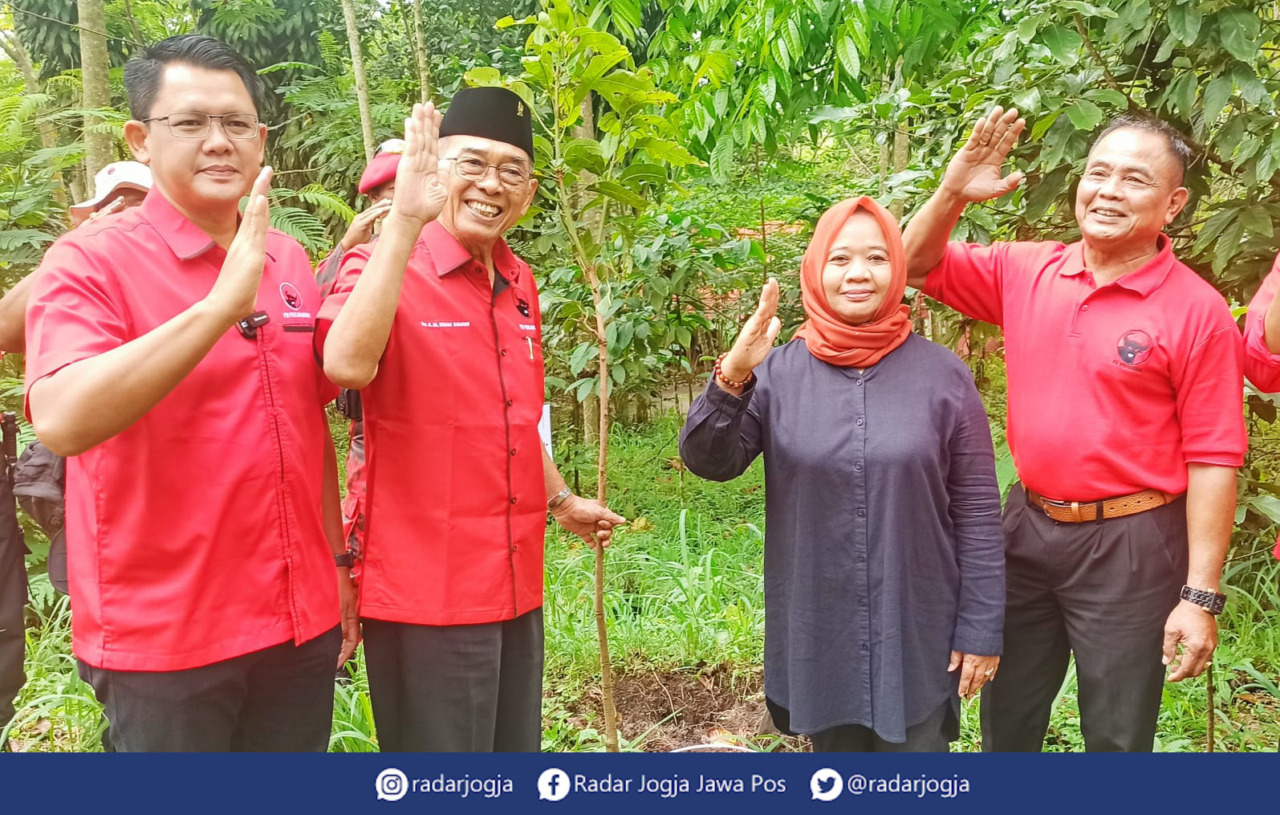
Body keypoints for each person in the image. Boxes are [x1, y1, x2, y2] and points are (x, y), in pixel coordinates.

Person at [22, 34, 357, 752]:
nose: (218, 142)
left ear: (261, 139)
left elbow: (306, 431)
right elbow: (60, 418)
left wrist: (335, 568)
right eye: (190, 123)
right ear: (140, 138)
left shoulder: (286, 256)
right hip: (167, 639)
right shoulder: (91, 260)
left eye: (236, 124)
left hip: (296, 626)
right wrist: (216, 309)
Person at [904, 109, 1245, 752]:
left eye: (1134, 180)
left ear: (1173, 204)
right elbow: (914, 265)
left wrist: (1200, 595)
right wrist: (952, 190)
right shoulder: (1025, 269)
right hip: (1027, 527)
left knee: (1117, 731)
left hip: (1133, 542)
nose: (1109, 190)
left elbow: (1214, 457)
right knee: (1007, 715)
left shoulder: (1196, 312)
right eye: (1098, 173)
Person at [318, 89, 624, 752]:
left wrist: (561, 499)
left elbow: (516, 415)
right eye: (472, 163)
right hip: (426, 595)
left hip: (515, 582)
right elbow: (343, 363)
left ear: (531, 190)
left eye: (511, 170)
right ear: (435, 168)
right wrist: (401, 221)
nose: (492, 184)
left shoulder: (520, 282)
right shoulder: (378, 264)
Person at [680, 196, 1005, 752]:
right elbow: (711, 462)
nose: (859, 273)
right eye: (840, 259)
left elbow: (977, 512)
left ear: (897, 270)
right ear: (816, 270)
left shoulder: (943, 375)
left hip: (917, 627)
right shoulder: (776, 372)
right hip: (819, 627)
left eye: (878, 258)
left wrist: (980, 628)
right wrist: (734, 373)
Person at [0, 162, 153, 744]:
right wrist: (83, 242)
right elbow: (7, 329)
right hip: (90, 479)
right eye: (114, 202)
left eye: (139, 199)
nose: (128, 211)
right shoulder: (73, 266)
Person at [317, 141, 401, 562]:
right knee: (367, 525)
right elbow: (306, 314)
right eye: (386, 198)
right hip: (368, 424)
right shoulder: (356, 258)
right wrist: (346, 250)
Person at [0, 162, 153, 352]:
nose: (124, 217)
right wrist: (78, 240)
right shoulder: (87, 268)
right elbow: (6, 332)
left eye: (138, 205)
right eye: (113, 209)